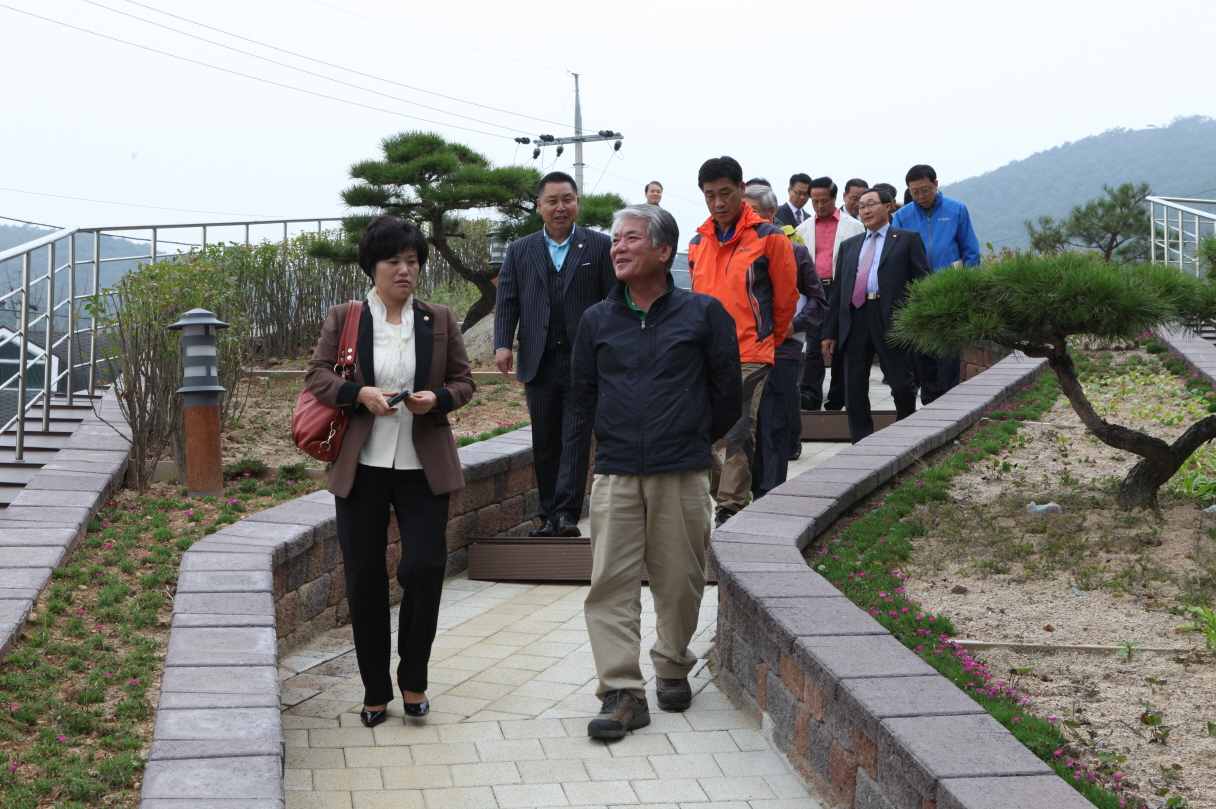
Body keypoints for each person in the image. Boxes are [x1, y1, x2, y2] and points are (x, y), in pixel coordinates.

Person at [573, 204, 741, 738]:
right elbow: (583, 395)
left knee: (681, 580)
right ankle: (622, 691)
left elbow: (727, 394)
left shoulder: (704, 313)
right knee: (610, 585)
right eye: (615, 239)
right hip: (617, 471)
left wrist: (690, 435)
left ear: (664, 251)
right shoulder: (597, 319)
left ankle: (671, 664)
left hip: (681, 469)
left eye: (631, 238)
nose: (617, 247)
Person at [305, 215, 476, 728]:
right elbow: (316, 375)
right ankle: (375, 690)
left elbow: (464, 382)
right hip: (362, 466)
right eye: (394, 261)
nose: (405, 270)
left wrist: (437, 399)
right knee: (363, 576)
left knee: (423, 566)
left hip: (423, 465)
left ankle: (414, 679)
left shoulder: (439, 318)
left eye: (413, 261)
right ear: (372, 267)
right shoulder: (346, 317)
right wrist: (359, 393)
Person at [494, 171, 615, 537]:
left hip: (583, 360)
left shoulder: (599, 245)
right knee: (544, 439)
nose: (561, 207)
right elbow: (507, 300)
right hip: (539, 358)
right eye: (552, 201)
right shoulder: (521, 249)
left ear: (577, 202)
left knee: (575, 438)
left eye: (567, 200)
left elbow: (613, 301)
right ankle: (547, 515)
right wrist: (502, 344)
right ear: (539, 206)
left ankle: (566, 515)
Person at [688, 156, 799, 527]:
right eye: (710, 195)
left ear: (741, 189)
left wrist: (769, 339)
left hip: (750, 350)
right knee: (697, 431)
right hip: (704, 354)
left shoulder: (770, 238)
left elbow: (786, 298)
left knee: (738, 431)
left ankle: (729, 508)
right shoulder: (698, 242)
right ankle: (728, 495)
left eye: (725, 193)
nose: (718, 202)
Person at [822, 188, 929, 443]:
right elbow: (838, 292)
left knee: (902, 383)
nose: (865, 211)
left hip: (891, 317)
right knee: (854, 386)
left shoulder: (907, 239)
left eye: (871, 204)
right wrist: (829, 332)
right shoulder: (849, 246)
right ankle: (861, 441)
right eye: (861, 207)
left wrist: (919, 322)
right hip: (856, 317)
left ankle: (905, 434)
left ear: (888, 206)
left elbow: (922, 283)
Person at [742, 185, 827, 489]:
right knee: (745, 429)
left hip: (781, 351)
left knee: (775, 425)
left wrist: (792, 326)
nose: (745, 217)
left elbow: (818, 301)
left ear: (771, 213)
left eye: (752, 211)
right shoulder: (736, 253)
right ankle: (751, 492)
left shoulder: (794, 251)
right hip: (743, 352)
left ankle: (770, 492)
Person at [892, 164, 981, 404]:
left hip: (950, 291)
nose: (921, 196)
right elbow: (896, 256)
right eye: (915, 192)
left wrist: (970, 287)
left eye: (925, 190)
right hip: (918, 293)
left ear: (936, 185)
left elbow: (970, 251)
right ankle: (930, 401)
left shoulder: (956, 209)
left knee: (949, 350)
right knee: (923, 352)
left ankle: (948, 400)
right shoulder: (903, 216)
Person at [796, 176, 865, 414]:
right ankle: (810, 395)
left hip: (842, 288)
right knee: (814, 342)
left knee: (842, 341)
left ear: (835, 198)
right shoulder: (803, 229)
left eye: (824, 200)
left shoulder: (854, 226)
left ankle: (837, 398)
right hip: (815, 289)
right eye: (815, 201)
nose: (820, 205)